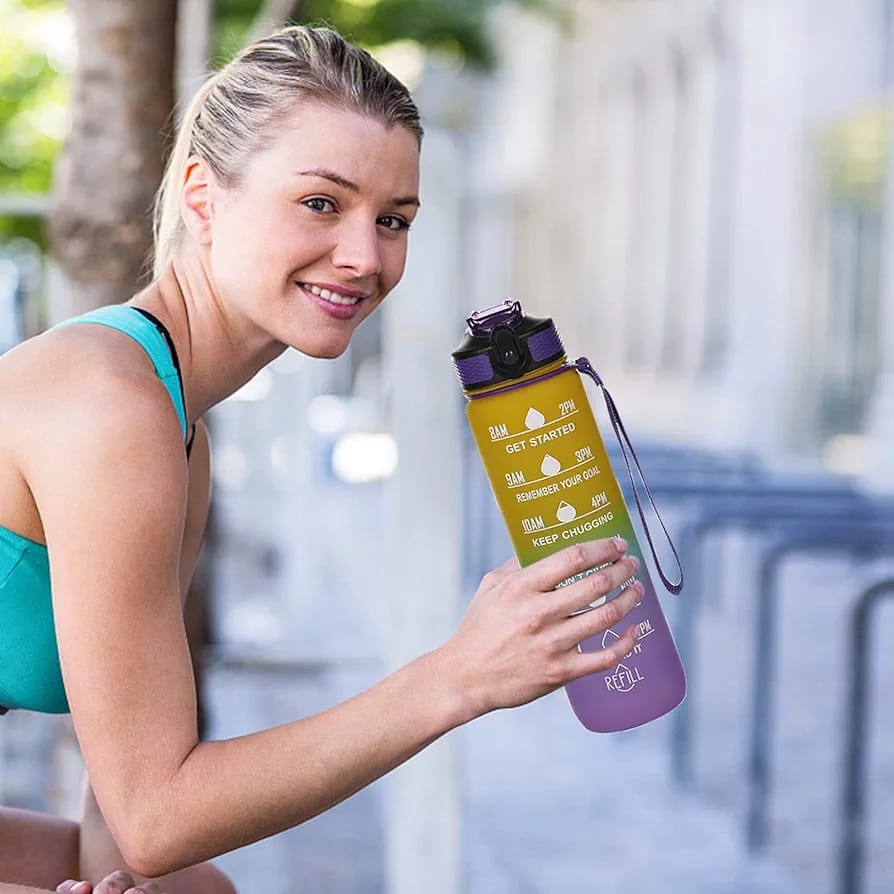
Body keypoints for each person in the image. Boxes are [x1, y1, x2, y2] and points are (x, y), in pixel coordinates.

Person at [0, 24, 643, 894]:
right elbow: (157, 816)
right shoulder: (113, 408)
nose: (364, 257)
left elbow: (122, 826)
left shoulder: (175, 430)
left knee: (200, 893)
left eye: (393, 221)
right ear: (203, 196)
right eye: (320, 204)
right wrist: (456, 678)